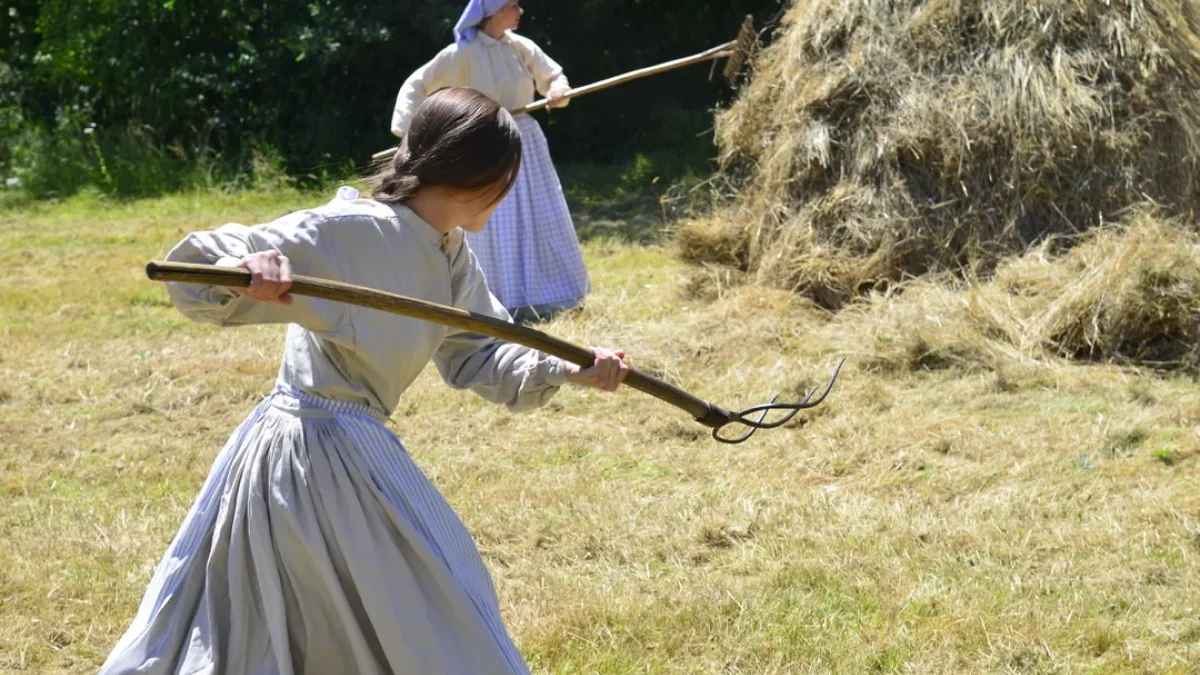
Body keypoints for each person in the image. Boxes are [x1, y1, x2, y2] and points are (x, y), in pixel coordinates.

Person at [99, 87, 628, 675]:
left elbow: (481, 353)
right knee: (411, 606)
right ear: (483, 174)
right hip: (308, 456)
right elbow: (210, 262)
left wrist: (565, 367)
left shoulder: (449, 253)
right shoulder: (355, 230)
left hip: (355, 450)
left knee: (417, 601)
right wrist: (242, 267)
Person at [390, 0, 589, 323]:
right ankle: (494, 298)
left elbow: (553, 76)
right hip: (484, 139)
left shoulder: (520, 46)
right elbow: (417, 84)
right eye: (513, 4)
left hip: (524, 136)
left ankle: (549, 294)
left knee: (538, 211)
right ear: (493, 12)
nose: (520, 10)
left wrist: (557, 91)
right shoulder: (461, 54)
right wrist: (409, 132)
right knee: (490, 216)